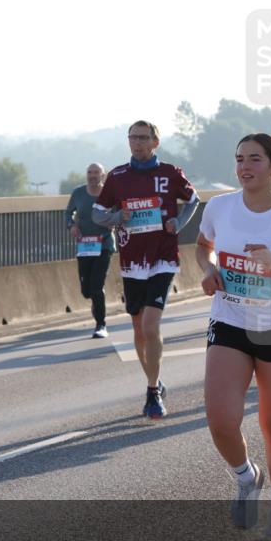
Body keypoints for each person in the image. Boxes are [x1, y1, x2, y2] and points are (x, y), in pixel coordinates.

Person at [196, 133, 271, 541]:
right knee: (220, 419)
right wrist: (209, 270)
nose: (245, 167)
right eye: (239, 159)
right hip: (230, 318)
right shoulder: (220, 207)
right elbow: (203, 245)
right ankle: (247, 477)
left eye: (254, 159)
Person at [93, 120, 199, 419]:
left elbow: (193, 200)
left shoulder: (169, 173)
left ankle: (152, 392)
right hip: (131, 262)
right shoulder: (117, 176)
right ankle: (155, 381)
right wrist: (117, 216)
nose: (136, 142)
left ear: (155, 142)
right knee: (139, 329)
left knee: (151, 325)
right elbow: (97, 213)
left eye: (142, 137)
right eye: (132, 137)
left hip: (163, 258)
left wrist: (178, 223)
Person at [65, 163, 114, 338]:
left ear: (103, 175)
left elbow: (119, 213)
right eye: (89, 172)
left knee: (97, 286)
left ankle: (101, 325)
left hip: (104, 244)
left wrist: (113, 222)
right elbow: (68, 213)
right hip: (85, 246)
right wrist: (71, 226)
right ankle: (94, 301)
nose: (92, 176)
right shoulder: (78, 193)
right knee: (86, 290)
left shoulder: (110, 193)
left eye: (96, 173)